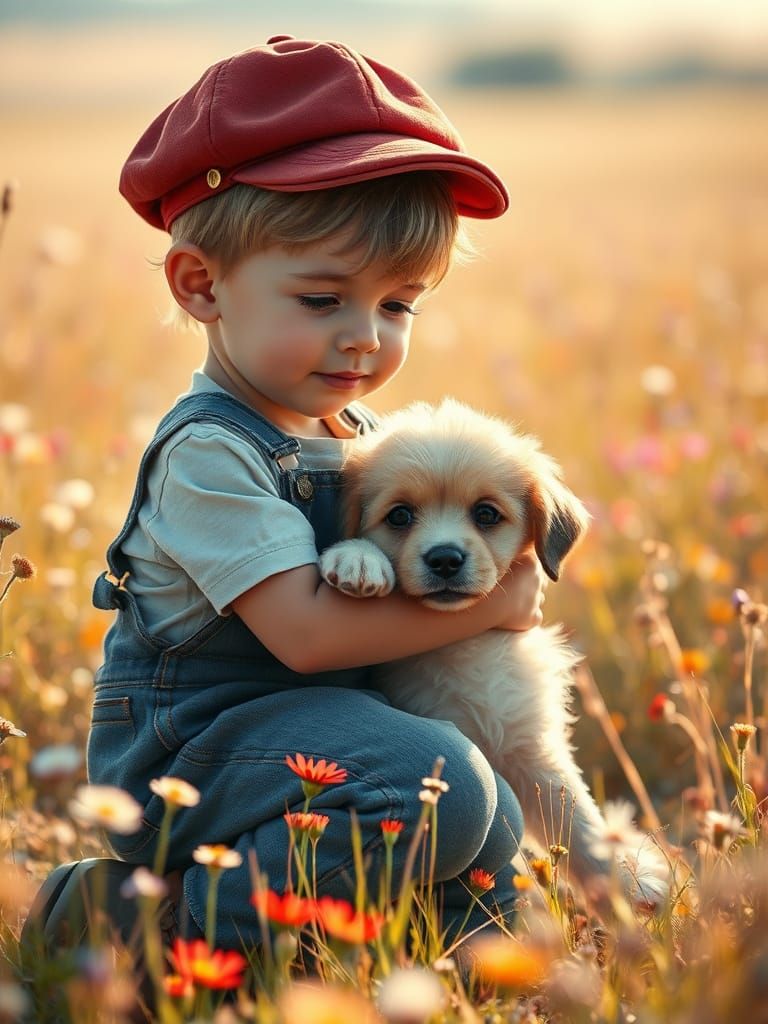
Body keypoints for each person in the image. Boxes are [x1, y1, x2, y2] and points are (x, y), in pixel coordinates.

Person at [85, 35, 546, 950]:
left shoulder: (362, 442)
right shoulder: (208, 454)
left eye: (398, 304)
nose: (366, 338)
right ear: (203, 285)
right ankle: (159, 937)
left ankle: (451, 968)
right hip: (196, 754)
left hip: (324, 735)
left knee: (485, 814)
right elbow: (309, 636)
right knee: (438, 781)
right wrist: (496, 602)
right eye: (323, 299)